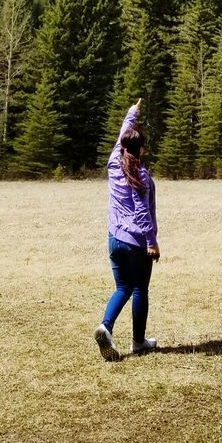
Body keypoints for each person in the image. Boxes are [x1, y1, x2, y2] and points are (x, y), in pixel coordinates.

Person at [94, 97, 160, 362]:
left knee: (122, 287)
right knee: (140, 289)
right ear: (141, 149)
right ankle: (138, 341)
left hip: (114, 239)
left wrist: (132, 112)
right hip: (136, 242)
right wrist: (151, 241)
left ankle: (105, 327)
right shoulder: (140, 175)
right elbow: (142, 212)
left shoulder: (113, 163)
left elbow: (124, 132)